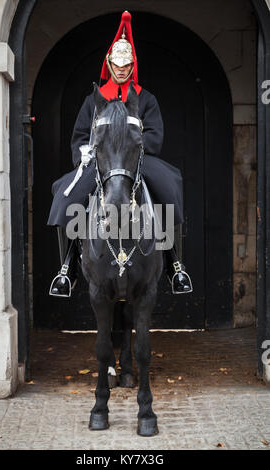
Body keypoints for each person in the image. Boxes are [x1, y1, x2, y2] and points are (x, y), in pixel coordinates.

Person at [48, 11, 193, 297]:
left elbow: (155, 135)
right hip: (102, 162)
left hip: (135, 160)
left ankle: (175, 264)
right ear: (109, 64)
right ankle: (67, 269)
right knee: (65, 196)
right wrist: (85, 154)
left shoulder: (145, 98)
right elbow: (79, 135)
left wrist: (134, 147)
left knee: (169, 186)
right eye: (117, 63)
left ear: (132, 65)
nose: (122, 68)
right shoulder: (95, 99)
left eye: (127, 64)